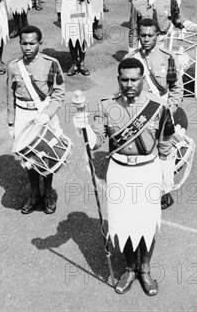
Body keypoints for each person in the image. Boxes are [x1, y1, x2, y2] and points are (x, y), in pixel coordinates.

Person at [73, 57, 173, 296]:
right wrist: (84, 128)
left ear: (143, 81)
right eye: (124, 79)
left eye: (134, 80)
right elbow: (96, 142)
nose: (129, 84)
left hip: (148, 169)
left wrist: (165, 178)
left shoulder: (158, 106)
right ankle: (129, 269)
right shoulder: (107, 106)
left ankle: (145, 270)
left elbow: (166, 142)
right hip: (119, 171)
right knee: (125, 223)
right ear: (118, 80)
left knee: (147, 223)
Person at [125, 18, 183, 209]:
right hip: (140, 114)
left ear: (157, 36)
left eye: (150, 35)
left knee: (164, 152)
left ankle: (165, 191)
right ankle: (145, 187)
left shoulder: (168, 57)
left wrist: (170, 109)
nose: (147, 39)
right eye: (143, 35)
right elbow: (125, 89)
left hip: (163, 112)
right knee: (143, 150)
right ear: (138, 36)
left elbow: (176, 88)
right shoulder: (130, 58)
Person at [7, 26, 65, 214]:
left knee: (46, 155)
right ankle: (34, 193)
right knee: (28, 157)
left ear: (40, 43)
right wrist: (11, 122)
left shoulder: (51, 63)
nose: (28, 47)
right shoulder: (14, 66)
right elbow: (10, 95)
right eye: (24, 43)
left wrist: (47, 115)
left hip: (44, 114)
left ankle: (47, 193)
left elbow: (58, 93)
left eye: (32, 43)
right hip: (23, 115)